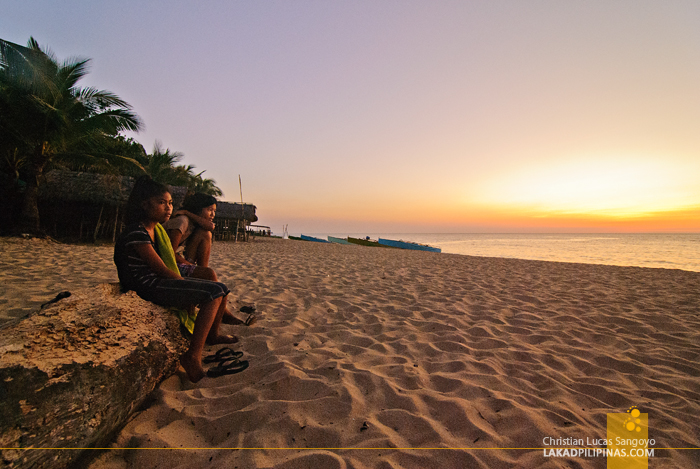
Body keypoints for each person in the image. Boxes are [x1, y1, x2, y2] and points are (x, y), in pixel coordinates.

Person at [114, 176, 244, 382]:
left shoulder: (154, 229)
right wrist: (185, 289)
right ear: (144, 204)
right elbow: (161, 268)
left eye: (170, 203)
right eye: (162, 202)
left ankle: (211, 335)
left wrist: (187, 288)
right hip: (147, 286)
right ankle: (192, 357)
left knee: (219, 287)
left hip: (154, 282)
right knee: (213, 292)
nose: (168, 208)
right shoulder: (137, 232)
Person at [165, 192, 255, 326]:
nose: (213, 214)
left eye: (214, 211)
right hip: (169, 263)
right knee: (210, 274)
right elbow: (169, 254)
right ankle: (223, 315)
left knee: (206, 234)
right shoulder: (182, 221)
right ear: (198, 209)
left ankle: (222, 311)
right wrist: (189, 264)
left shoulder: (191, 220)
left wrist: (189, 213)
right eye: (209, 210)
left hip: (180, 258)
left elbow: (210, 227)